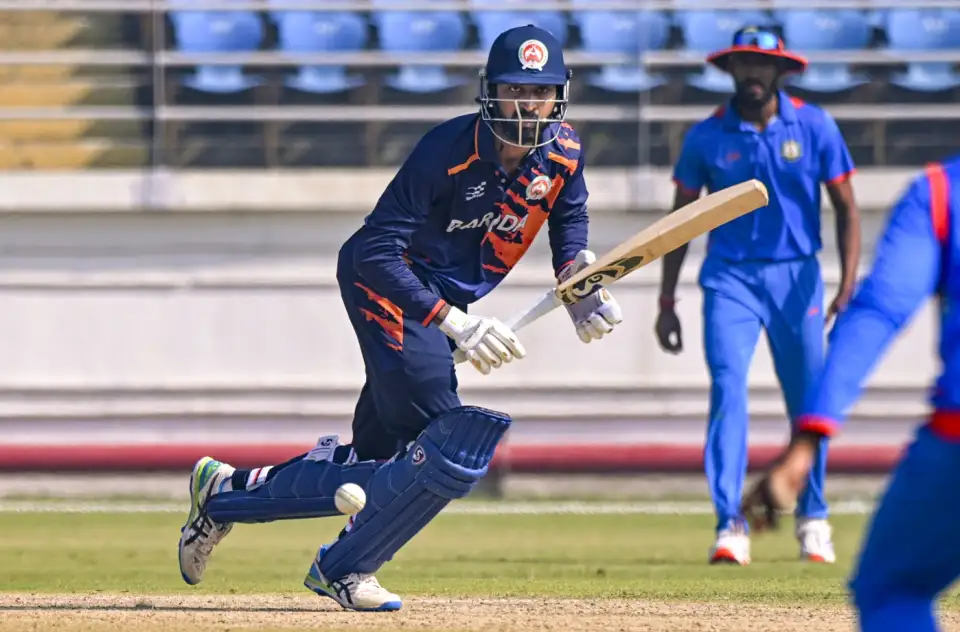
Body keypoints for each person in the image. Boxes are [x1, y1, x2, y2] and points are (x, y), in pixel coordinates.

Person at [175, 25, 623, 613]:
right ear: (489, 91)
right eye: (515, 90)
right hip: (387, 284)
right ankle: (346, 565)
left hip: (442, 297)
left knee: (373, 462)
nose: (527, 105)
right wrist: (455, 324)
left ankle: (222, 494)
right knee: (449, 442)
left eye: (540, 93)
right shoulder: (447, 151)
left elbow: (569, 215)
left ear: (559, 96)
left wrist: (577, 284)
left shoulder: (564, 151)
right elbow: (374, 252)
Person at [655, 26, 861, 565]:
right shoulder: (707, 135)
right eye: (744, 63)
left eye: (763, 64)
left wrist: (847, 284)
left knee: (807, 401)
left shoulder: (814, 125)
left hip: (797, 278)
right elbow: (680, 222)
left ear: (780, 70)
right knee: (728, 390)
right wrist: (666, 301)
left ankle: (813, 518)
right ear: (730, 70)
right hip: (730, 279)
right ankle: (731, 523)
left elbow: (846, 207)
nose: (753, 73)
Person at [742, 157, 960, 632]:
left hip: (955, 438)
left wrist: (807, 441)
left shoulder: (942, 192)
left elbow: (880, 310)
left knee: (892, 591)